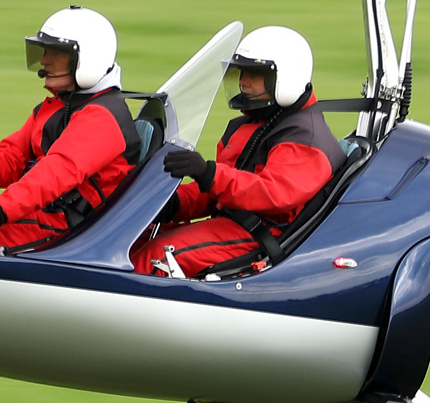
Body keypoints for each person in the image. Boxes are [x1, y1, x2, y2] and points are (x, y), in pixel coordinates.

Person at [132, 25, 346, 278]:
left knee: (155, 256)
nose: (243, 82)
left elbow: (271, 193)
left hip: (260, 233)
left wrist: (207, 173)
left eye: (254, 74)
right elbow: (219, 193)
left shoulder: (304, 139)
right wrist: (171, 202)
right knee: (136, 237)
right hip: (235, 221)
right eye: (242, 72)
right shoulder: (251, 124)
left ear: (286, 78)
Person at [0, 5, 141, 251]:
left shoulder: (102, 118)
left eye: (56, 53)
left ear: (87, 60)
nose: (44, 60)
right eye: (45, 50)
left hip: (71, 231)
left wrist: (0, 210)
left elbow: (53, 175)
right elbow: (13, 158)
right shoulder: (57, 105)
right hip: (41, 215)